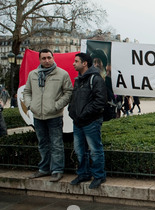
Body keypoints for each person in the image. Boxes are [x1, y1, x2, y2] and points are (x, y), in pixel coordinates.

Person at [23, 49, 73, 182]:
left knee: (56, 143)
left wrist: (56, 106)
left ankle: (57, 170)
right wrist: (30, 105)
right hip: (38, 115)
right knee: (42, 143)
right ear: (39, 60)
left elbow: (68, 92)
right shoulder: (33, 74)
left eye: (49, 58)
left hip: (55, 115)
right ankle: (44, 169)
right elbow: (27, 92)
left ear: (53, 58)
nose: (47, 60)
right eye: (44, 58)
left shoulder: (62, 74)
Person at [68, 53, 107, 189]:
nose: (74, 63)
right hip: (78, 121)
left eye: (76, 61)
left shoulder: (95, 79)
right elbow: (74, 100)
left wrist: (85, 114)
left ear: (84, 63)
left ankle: (99, 176)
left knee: (95, 150)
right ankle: (83, 173)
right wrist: (71, 112)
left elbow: (100, 101)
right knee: (79, 150)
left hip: (91, 121)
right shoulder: (78, 79)